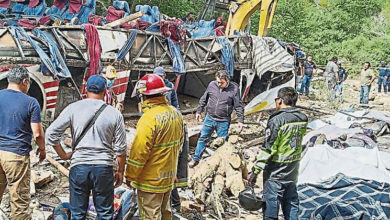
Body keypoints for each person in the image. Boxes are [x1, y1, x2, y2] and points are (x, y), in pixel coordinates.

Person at [46, 75, 127, 219]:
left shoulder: (73, 108)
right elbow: (120, 149)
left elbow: (51, 134)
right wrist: (120, 171)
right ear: (105, 91)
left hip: (79, 167)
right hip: (103, 168)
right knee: (105, 213)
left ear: (86, 89)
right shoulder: (114, 114)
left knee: (77, 213)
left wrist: (64, 155)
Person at [125, 74, 184, 220]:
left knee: (150, 215)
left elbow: (139, 152)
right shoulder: (175, 114)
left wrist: (130, 175)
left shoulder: (149, 118)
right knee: (165, 213)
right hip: (168, 177)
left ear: (143, 96)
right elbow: (179, 146)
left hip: (149, 181)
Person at [249, 87, 308, 220]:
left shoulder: (277, 120)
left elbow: (268, 148)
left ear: (280, 100)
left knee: (271, 204)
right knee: (291, 202)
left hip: (276, 170)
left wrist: (255, 170)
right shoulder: (303, 118)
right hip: (293, 168)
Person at [0, 65, 46, 219]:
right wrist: (42, 149)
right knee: (19, 202)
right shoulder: (31, 102)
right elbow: (38, 134)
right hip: (16, 156)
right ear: (25, 82)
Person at [189, 70, 244, 167]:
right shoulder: (212, 85)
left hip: (223, 121)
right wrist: (199, 111)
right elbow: (204, 99)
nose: (219, 84)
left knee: (223, 143)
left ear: (227, 80)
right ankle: (196, 159)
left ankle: (224, 164)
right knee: (202, 138)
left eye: (221, 82)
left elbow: (238, 106)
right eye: (218, 82)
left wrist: (240, 120)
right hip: (209, 118)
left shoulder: (234, 89)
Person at [153, 66, 187, 211]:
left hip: (165, 161)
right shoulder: (171, 120)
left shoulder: (169, 87)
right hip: (169, 158)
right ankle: (173, 206)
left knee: (168, 181)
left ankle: (173, 205)